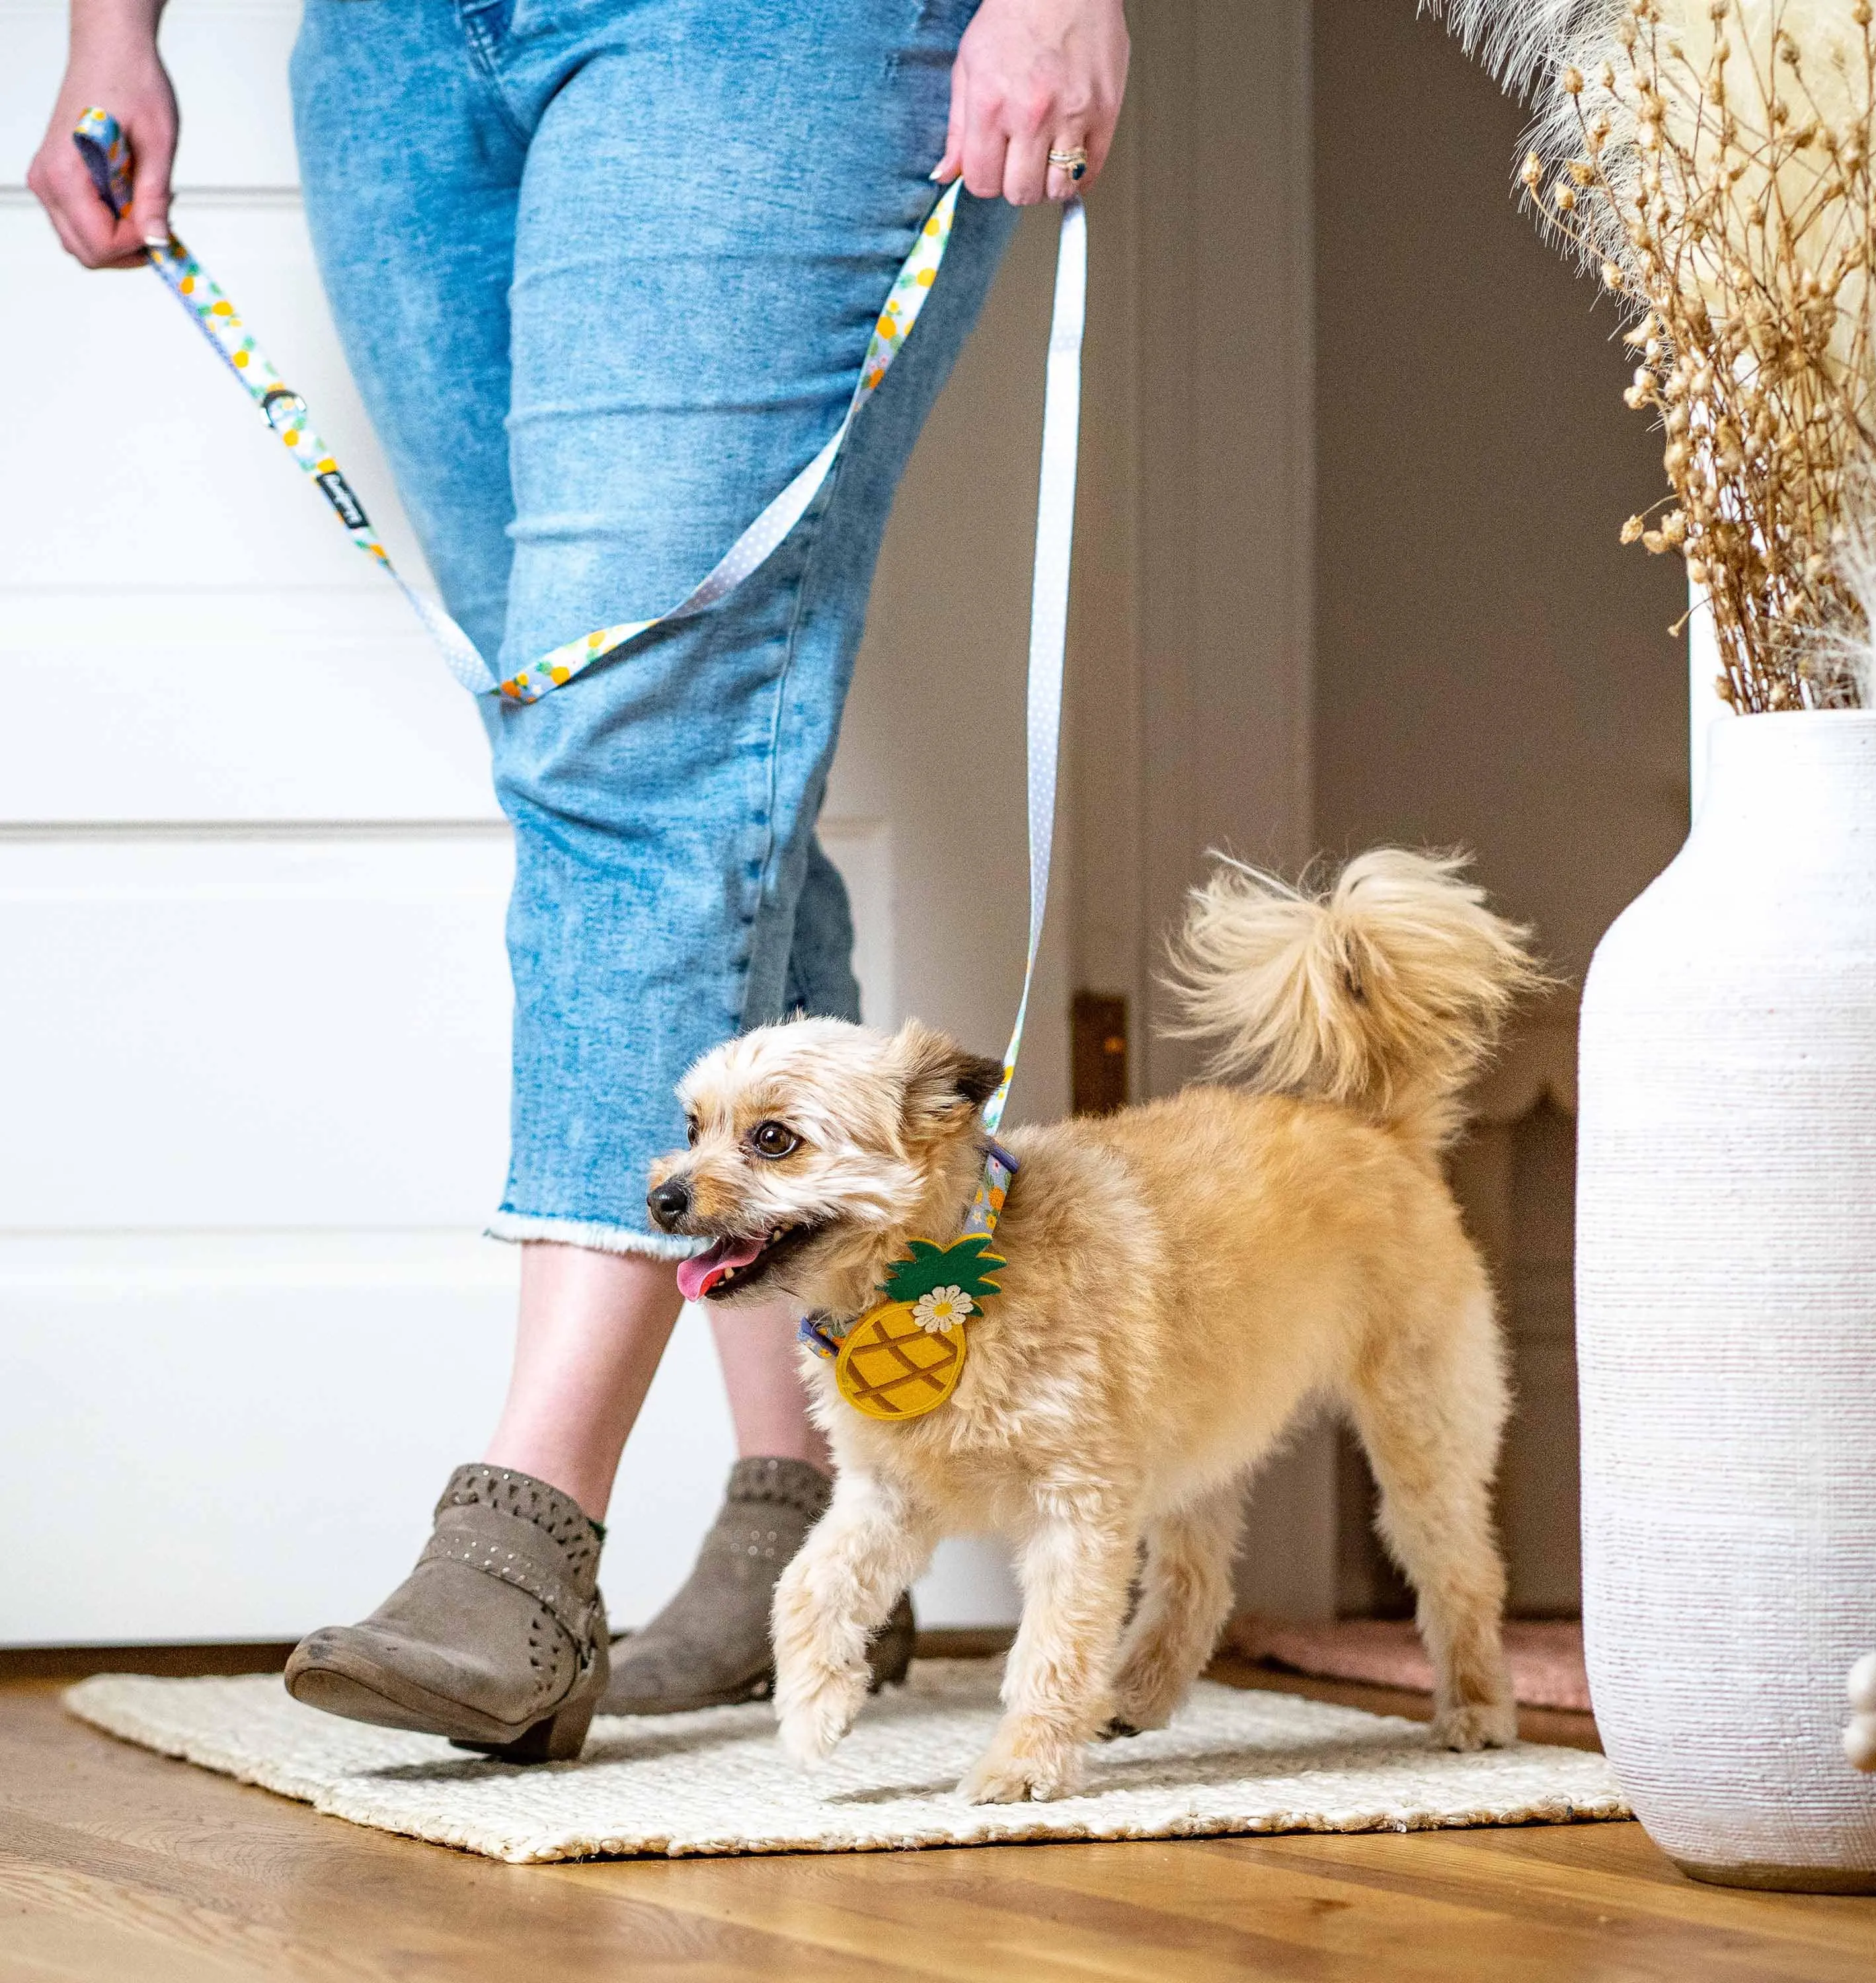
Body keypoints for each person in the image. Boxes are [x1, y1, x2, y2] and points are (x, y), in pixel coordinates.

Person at [30, 0, 1128, 1759]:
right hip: (394, 53)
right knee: (619, 742)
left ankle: (523, 1539)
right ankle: (822, 1491)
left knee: (642, 744)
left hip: (768, 39)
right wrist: (111, 33)